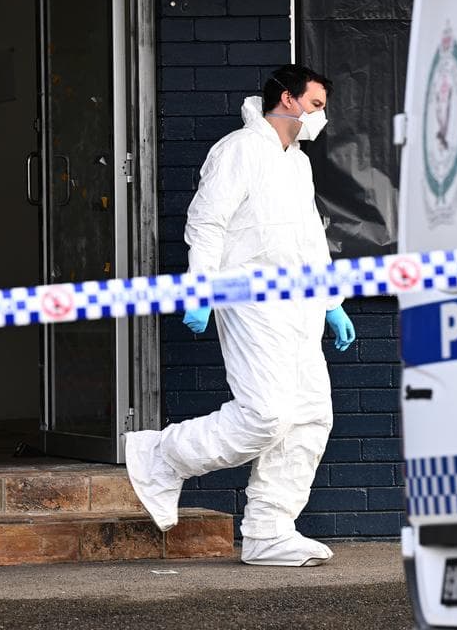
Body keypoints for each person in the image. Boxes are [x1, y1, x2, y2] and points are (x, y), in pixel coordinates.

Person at [125, 64, 356, 567]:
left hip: (300, 305)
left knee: (311, 417)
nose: (322, 116)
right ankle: (162, 455)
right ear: (288, 100)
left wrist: (332, 303)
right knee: (266, 414)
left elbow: (310, 240)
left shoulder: (297, 162)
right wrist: (200, 289)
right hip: (250, 298)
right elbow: (206, 222)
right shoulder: (237, 150)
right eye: (316, 104)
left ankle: (270, 531)